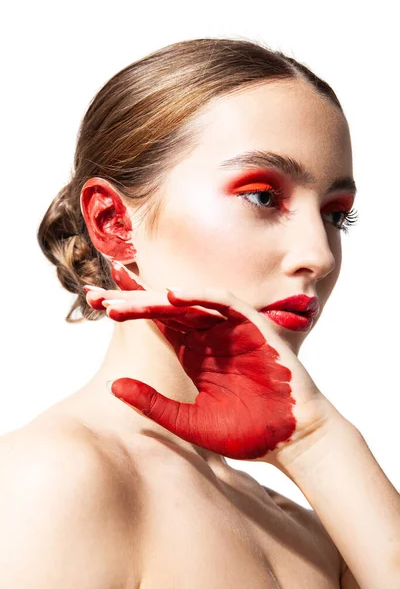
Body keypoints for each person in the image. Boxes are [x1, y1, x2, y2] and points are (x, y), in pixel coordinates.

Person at [1, 37, 398, 588]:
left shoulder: (316, 532)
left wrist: (316, 440)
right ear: (115, 222)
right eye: (263, 196)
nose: (320, 255)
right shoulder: (51, 478)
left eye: (336, 215)